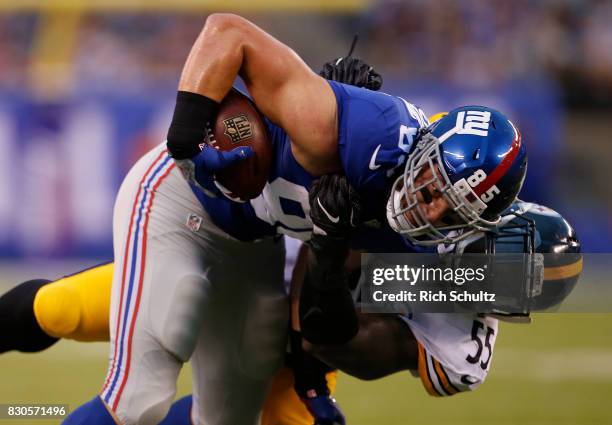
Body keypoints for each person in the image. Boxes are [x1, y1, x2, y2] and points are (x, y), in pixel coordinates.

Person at [43, 13, 525, 425]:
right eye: (431, 184)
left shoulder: (417, 245)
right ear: (424, 147)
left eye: (450, 209)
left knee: (229, 418)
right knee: (138, 397)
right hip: (180, 200)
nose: (429, 207)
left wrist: (329, 262)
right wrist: (187, 145)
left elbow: (318, 305)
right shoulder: (363, 135)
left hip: (254, 245)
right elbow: (228, 31)